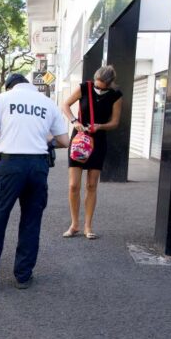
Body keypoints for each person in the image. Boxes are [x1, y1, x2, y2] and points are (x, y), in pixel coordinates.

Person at [0, 74, 72, 292]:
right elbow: (64, 141)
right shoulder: (47, 103)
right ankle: (23, 276)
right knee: (31, 221)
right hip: (38, 166)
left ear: (9, 86)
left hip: (10, 164)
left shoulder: (2, 99)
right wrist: (43, 140)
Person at [60, 65, 122, 240]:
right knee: (73, 185)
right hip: (79, 139)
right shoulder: (84, 88)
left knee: (92, 185)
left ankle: (88, 226)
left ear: (110, 84)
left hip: (98, 140)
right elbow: (65, 105)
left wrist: (100, 126)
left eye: (102, 87)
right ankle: (74, 224)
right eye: (97, 85)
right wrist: (74, 121)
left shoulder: (116, 95)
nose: (98, 89)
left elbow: (115, 122)